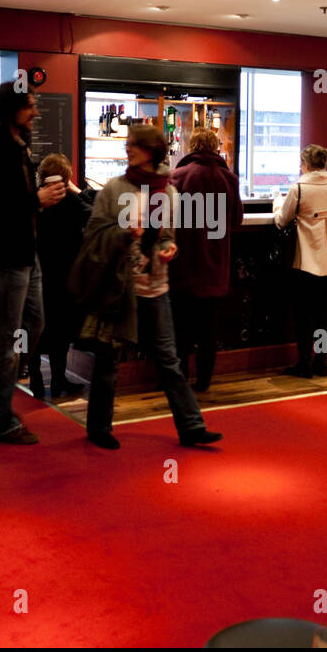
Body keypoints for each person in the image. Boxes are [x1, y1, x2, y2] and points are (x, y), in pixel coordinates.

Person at [70, 125, 223, 450]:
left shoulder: (168, 193)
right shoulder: (114, 189)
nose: (128, 150)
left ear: (151, 151)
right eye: (127, 145)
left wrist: (169, 249)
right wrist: (126, 234)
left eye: (134, 145)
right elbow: (93, 235)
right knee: (109, 360)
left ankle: (192, 426)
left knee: (169, 360)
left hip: (155, 287)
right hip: (120, 286)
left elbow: (168, 237)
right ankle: (99, 427)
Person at [0, 83, 65, 444]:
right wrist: (36, 200)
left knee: (33, 323)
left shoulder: (16, 147)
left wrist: (37, 201)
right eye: (30, 106)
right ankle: (1, 418)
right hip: (5, 257)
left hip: (26, 254)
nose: (36, 113)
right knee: (4, 338)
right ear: (12, 111)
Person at [169, 127, 243, 391]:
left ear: (192, 147)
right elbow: (236, 220)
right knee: (208, 329)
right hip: (216, 265)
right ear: (216, 148)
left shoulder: (178, 176)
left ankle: (178, 379)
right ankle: (203, 381)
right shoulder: (229, 179)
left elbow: (167, 218)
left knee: (181, 329)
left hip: (185, 265)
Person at [25, 153, 91, 399]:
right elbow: (95, 213)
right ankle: (58, 381)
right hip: (65, 277)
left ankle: (35, 381)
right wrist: (77, 191)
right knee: (61, 334)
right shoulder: (72, 202)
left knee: (33, 330)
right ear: (67, 176)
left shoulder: (34, 203)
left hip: (36, 275)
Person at [274, 144, 327, 378]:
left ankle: (304, 361)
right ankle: (321, 361)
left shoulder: (299, 188)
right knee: (323, 316)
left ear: (305, 165)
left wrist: (276, 203)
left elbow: (282, 220)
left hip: (306, 261)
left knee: (304, 316)